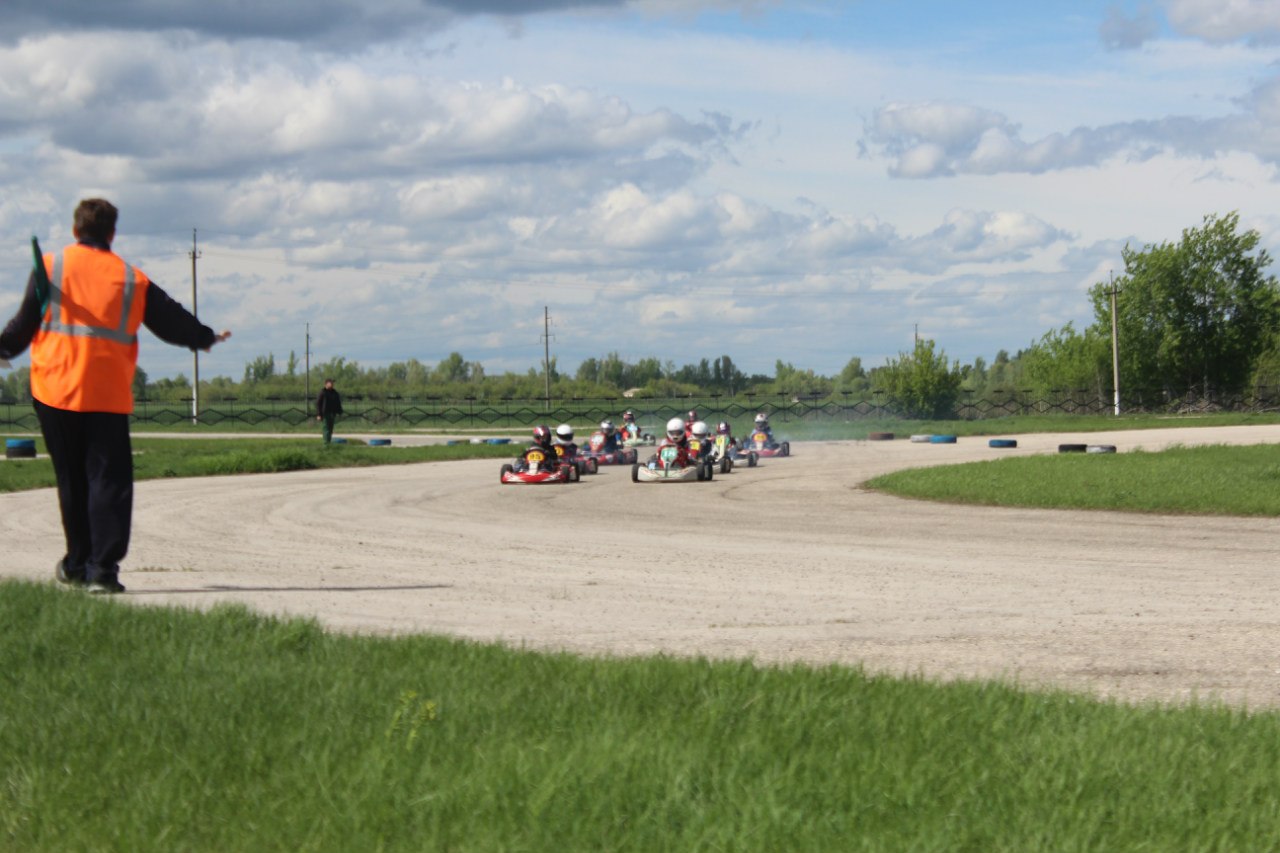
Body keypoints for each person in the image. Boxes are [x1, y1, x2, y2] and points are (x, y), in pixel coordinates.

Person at [0, 198, 231, 594]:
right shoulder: (130, 277)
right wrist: (204, 337)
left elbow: (24, 323)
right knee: (108, 480)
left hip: (55, 391)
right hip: (106, 394)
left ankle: (76, 563)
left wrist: (3, 347)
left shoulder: (51, 267)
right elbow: (170, 318)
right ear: (112, 233)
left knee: (72, 479)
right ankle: (102, 571)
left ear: (76, 230)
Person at [315, 378, 344, 444]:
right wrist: (319, 414)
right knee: (326, 429)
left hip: (332, 413)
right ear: (326, 384)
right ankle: (326, 444)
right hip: (325, 414)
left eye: (332, 383)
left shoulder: (335, 393)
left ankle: (328, 442)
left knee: (330, 429)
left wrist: (340, 412)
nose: (332, 384)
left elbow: (338, 403)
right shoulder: (323, 392)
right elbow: (318, 403)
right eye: (330, 382)